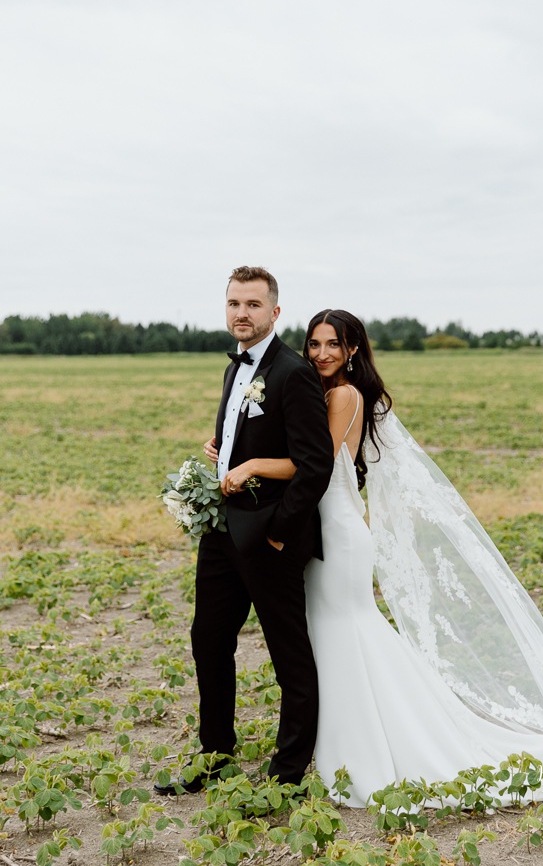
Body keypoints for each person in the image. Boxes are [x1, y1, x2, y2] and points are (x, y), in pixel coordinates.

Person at [300, 309, 543, 808]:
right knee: (340, 637)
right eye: (314, 344)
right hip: (330, 532)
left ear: (352, 349)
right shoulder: (328, 392)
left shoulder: (342, 395)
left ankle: (372, 752)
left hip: (336, 536)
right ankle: (352, 744)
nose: (321, 354)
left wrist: (249, 463)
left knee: (348, 634)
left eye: (331, 344)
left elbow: (313, 463)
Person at [155, 267, 334, 796]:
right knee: (207, 639)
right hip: (221, 534)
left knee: (288, 653)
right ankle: (215, 755)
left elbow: (314, 465)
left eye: (253, 305)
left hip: (269, 538)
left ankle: (288, 772)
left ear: (275, 313)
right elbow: (241, 434)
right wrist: (220, 452)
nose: (241, 313)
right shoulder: (234, 372)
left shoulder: (292, 372)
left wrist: (279, 533)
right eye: (234, 303)